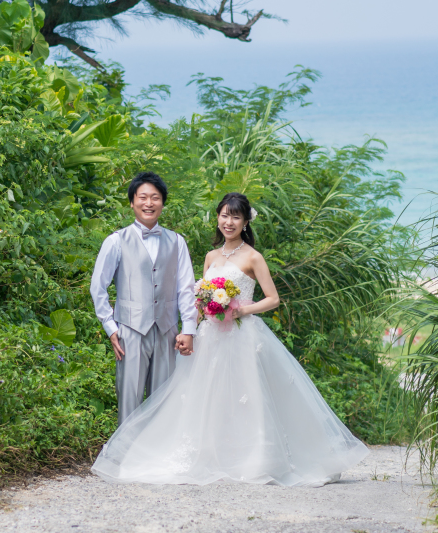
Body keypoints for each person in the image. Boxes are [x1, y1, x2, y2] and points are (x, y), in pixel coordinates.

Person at [91, 192, 369, 487]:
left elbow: (273, 299)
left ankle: (254, 458)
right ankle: (211, 455)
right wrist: (193, 327)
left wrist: (241, 310)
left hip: (242, 335)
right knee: (206, 399)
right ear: (218, 218)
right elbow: (199, 298)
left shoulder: (253, 256)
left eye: (236, 217)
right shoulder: (211, 257)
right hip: (211, 336)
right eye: (224, 215)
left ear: (246, 221)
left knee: (246, 396)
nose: (229, 221)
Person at [90, 172, 198, 426]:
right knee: (129, 397)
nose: (149, 203)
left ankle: (158, 459)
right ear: (132, 202)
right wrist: (110, 327)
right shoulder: (116, 241)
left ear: (162, 203)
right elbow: (98, 287)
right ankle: (124, 460)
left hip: (168, 331)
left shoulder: (177, 242)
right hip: (129, 330)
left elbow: (186, 288)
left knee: (165, 400)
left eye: (155, 198)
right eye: (143, 197)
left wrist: (189, 329)